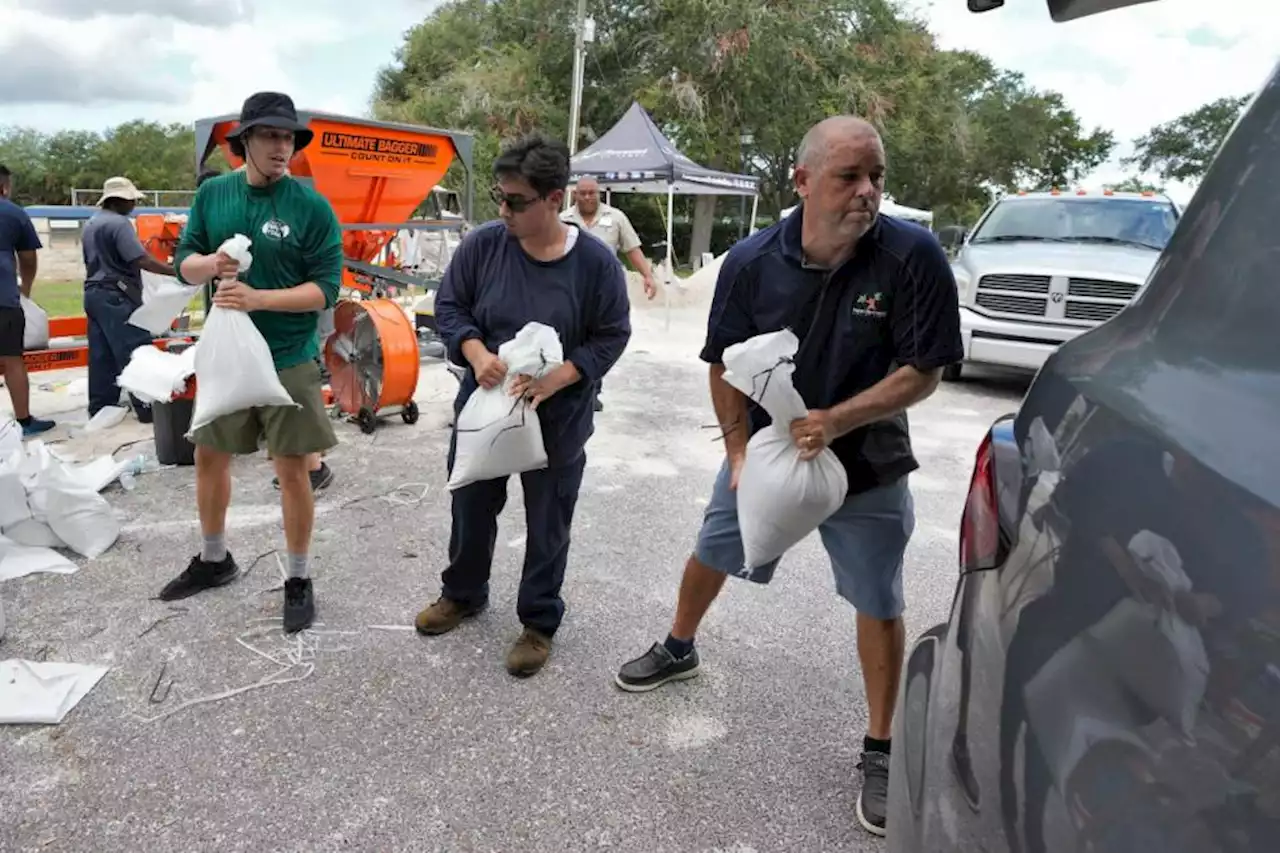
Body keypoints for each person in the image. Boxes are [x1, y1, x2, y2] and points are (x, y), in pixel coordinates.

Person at [612, 116, 963, 837]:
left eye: (876, 177)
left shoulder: (912, 256)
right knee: (714, 545)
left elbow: (922, 371)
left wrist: (838, 420)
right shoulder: (750, 261)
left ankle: (879, 744)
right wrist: (739, 453)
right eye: (848, 176)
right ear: (803, 181)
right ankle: (679, 645)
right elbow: (722, 363)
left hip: (866, 464)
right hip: (769, 449)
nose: (867, 192)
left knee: (877, 597)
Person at [416, 134, 631, 677]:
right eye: (500, 197)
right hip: (484, 410)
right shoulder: (485, 246)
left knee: (547, 520)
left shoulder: (596, 265)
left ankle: (538, 622)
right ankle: (463, 593)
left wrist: (562, 376)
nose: (504, 210)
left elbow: (612, 333)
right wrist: (473, 349)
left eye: (516, 201)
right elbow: (450, 305)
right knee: (469, 505)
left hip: (557, 418)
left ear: (554, 200)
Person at [156, 91, 343, 635]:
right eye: (270, 136)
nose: (282, 146)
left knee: (292, 468)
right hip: (227, 353)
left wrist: (261, 298)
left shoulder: (310, 206)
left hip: (288, 356)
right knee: (209, 454)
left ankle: (300, 578)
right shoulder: (215, 194)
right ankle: (215, 559)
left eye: (288, 137)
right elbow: (183, 263)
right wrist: (208, 264)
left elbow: (326, 289)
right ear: (245, 143)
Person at [81, 176, 178, 422]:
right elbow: (141, 259)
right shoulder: (119, 224)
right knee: (136, 349)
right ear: (120, 200)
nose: (134, 204)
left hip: (94, 293)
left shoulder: (92, 223)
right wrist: (177, 270)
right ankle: (147, 407)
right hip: (117, 295)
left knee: (102, 354)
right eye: (132, 200)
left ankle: (101, 406)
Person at [561, 176, 656, 411]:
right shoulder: (563, 219)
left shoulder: (616, 218)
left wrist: (648, 276)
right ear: (575, 194)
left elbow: (632, 249)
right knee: (573, 337)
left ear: (599, 193)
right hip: (571, 289)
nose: (587, 197)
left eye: (591, 193)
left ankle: (593, 388)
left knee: (600, 339)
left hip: (605, 292)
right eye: (582, 193)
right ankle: (573, 385)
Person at [0, 164, 55, 436]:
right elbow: (28, 258)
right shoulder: (13, 213)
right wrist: (26, 288)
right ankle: (23, 421)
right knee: (12, 359)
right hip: (5, 300)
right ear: (4, 186)